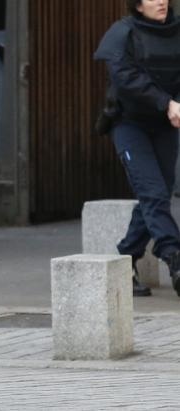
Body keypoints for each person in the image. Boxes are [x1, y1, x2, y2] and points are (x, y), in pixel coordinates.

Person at [94, 0, 180, 297]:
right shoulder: (123, 33)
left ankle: (125, 259)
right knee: (153, 193)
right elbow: (126, 78)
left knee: (156, 196)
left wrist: (176, 104)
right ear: (137, 5)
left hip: (166, 126)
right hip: (129, 126)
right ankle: (174, 257)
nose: (161, 1)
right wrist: (165, 102)